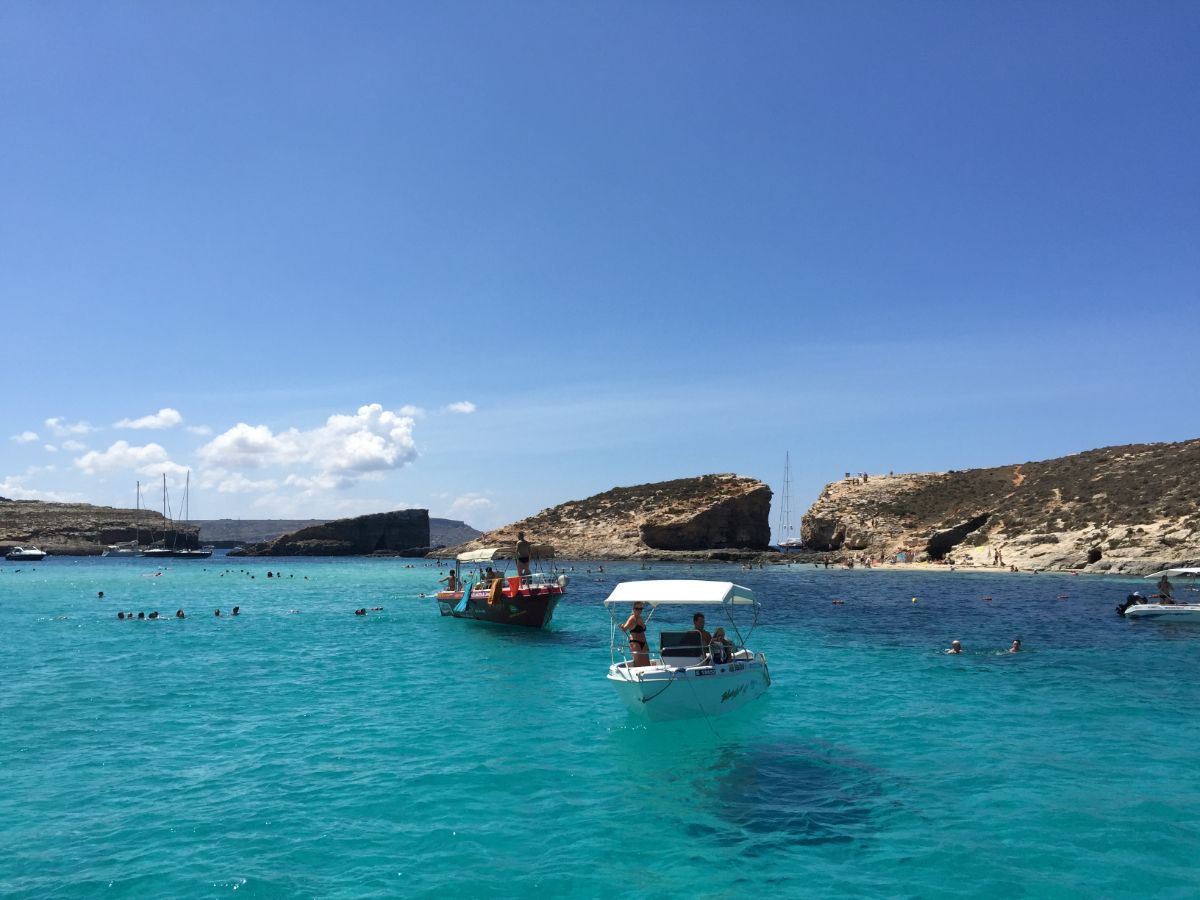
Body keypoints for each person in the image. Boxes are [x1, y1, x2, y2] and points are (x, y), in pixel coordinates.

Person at [620, 602, 651, 667]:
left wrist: (646, 644)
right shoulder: (632, 618)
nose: (639, 610)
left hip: (643, 642)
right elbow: (625, 629)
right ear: (633, 609)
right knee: (638, 664)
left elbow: (642, 633)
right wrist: (622, 626)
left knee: (647, 664)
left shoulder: (640, 618)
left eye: (641, 609)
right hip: (635, 643)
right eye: (637, 608)